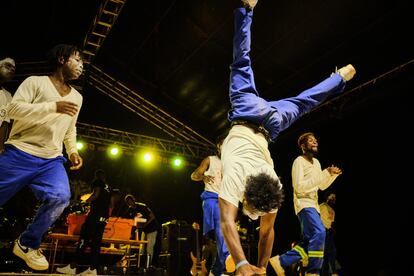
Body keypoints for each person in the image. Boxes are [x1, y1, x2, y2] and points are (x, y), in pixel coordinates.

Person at [218, 1, 356, 275]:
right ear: (246, 195)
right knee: (240, 63)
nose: (255, 217)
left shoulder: (273, 184)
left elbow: (252, 229)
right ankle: (246, 8)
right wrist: (250, 266)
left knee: (305, 102)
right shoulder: (245, 182)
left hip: (272, 121)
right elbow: (234, 225)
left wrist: (254, 267)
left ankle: (340, 78)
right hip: (248, 112)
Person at [0, 44, 84, 271]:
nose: (81, 67)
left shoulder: (77, 97)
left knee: (60, 197)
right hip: (19, 151)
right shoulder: (34, 82)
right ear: (61, 59)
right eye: (77, 61)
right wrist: (52, 106)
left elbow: (70, 129)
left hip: (51, 160)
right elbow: (13, 110)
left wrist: (73, 150)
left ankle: (26, 244)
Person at [270, 133, 342, 276]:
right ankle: (313, 271)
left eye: (315, 139)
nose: (315, 141)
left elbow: (321, 185)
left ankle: (281, 261)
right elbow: (299, 186)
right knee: (320, 233)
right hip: (303, 204)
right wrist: (324, 173)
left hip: (314, 206)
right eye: (311, 140)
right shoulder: (299, 161)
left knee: (310, 242)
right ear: (303, 146)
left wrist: (331, 175)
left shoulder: (317, 163)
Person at [57, 169, 112, 275]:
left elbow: (95, 194)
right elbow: (111, 204)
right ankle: (93, 269)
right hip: (104, 218)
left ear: (97, 176)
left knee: (83, 239)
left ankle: (73, 267)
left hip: (95, 216)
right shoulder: (108, 187)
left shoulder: (97, 182)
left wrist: (84, 203)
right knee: (96, 244)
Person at [191, 136, 230, 276]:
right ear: (218, 146)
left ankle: (216, 270)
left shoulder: (231, 163)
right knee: (220, 229)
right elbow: (194, 175)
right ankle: (227, 258)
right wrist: (203, 177)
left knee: (225, 234)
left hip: (224, 201)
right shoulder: (210, 160)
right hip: (211, 199)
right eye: (222, 144)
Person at [125, 194, 160, 266]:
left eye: (130, 201)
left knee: (149, 248)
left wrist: (145, 224)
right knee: (141, 248)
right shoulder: (130, 210)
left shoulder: (142, 206)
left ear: (133, 200)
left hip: (152, 229)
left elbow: (152, 216)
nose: (130, 203)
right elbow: (132, 222)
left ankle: (148, 265)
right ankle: (140, 264)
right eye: (128, 202)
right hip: (144, 230)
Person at [320, 193, 339, 276]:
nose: (333, 200)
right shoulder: (322, 206)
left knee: (332, 251)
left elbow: (331, 222)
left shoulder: (333, 211)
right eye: (332, 198)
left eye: (334, 199)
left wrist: (333, 230)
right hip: (322, 230)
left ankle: (333, 272)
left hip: (329, 232)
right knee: (324, 253)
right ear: (328, 198)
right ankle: (323, 272)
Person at [0, 55, 16, 154]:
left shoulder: (8, 96)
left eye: (13, 69)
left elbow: (6, 123)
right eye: (7, 66)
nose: (12, 69)